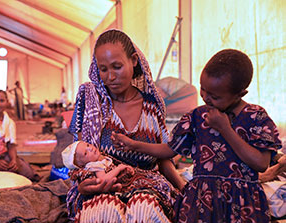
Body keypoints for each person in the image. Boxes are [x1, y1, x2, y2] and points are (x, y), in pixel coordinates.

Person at [112, 49, 282, 222]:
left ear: (240, 94)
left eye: (215, 96)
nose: (206, 98)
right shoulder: (197, 117)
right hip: (202, 203)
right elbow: (169, 150)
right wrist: (134, 144)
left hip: (242, 206)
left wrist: (225, 129)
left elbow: (261, 164)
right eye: (203, 89)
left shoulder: (256, 117)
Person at [66, 29, 185, 222]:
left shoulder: (152, 107)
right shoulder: (91, 102)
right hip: (102, 186)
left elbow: (163, 159)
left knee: (144, 210)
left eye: (117, 66)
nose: (110, 76)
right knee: (101, 212)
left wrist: (184, 188)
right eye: (103, 69)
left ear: (134, 61)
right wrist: (84, 185)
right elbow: (79, 156)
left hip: (147, 184)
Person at [63, 140, 179, 220]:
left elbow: (167, 151)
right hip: (116, 188)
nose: (91, 149)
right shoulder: (95, 165)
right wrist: (120, 168)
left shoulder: (101, 159)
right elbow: (104, 179)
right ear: (81, 164)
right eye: (85, 153)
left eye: (88, 145)